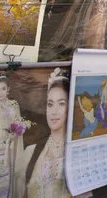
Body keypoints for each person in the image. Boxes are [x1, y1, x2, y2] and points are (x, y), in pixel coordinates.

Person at [20, 68, 71, 198]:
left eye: (61, 104)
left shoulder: (77, 152)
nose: (53, 111)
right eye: (50, 104)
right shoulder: (31, 153)